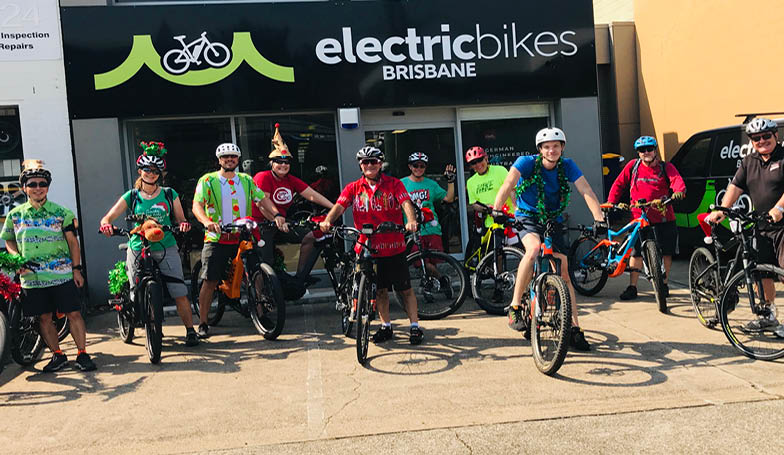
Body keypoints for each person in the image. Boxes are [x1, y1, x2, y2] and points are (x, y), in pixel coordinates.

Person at [492, 127, 605, 351]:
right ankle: (515, 306)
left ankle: (574, 328)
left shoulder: (568, 165)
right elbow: (508, 184)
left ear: (562, 147)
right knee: (533, 250)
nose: (551, 150)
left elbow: (585, 189)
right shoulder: (526, 162)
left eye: (556, 146)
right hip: (528, 216)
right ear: (540, 150)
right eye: (547, 147)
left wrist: (599, 218)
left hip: (553, 218)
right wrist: (497, 209)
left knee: (564, 272)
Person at [318, 146, 423, 345]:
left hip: (393, 246)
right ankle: (386, 326)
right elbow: (339, 206)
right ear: (360, 165)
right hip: (366, 247)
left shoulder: (394, 184)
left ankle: (415, 327)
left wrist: (411, 221)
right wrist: (328, 221)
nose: (369, 165)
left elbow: (406, 203)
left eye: (373, 161)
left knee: (405, 289)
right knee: (380, 290)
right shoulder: (353, 188)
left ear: (380, 163)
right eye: (365, 162)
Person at [99, 141, 199, 347]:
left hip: (165, 245)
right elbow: (108, 217)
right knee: (136, 289)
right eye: (147, 170)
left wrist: (184, 226)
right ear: (140, 172)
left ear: (160, 173)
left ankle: (190, 330)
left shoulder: (170, 194)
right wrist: (106, 225)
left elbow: (181, 219)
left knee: (178, 290)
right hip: (138, 245)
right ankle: (142, 323)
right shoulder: (132, 195)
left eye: (155, 170)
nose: (151, 174)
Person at [1, 160, 96, 372]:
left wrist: (77, 269)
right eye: (32, 184)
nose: (37, 188)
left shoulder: (62, 213)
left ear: (47, 187)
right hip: (32, 278)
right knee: (43, 317)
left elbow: (73, 242)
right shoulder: (14, 215)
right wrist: (16, 258)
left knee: (74, 314)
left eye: (42, 184)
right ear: (24, 188)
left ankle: (82, 354)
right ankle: (58, 355)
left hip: (61, 274)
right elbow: (9, 240)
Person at [192, 142, 288, 338]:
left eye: (233, 157)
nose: (229, 160)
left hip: (243, 236)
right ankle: (202, 322)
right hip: (217, 237)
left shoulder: (246, 180)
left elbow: (262, 199)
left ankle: (260, 314)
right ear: (219, 160)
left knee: (257, 273)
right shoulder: (208, 180)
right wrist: (207, 222)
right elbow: (197, 206)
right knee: (210, 279)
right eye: (225, 157)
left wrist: (277, 214)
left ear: (238, 160)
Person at [705, 117, 784, 332]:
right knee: (762, 274)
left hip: (782, 226)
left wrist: (779, 209)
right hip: (760, 225)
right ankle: (767, 315)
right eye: (756, 138)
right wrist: (722, 209)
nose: (762, 141)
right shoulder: (749, 161)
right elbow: (735, 186)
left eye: (766, 136)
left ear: (775, 136)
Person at [251, 123, 334, 283]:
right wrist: (275, 217)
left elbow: (312, 195)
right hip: (260, 224)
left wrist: (335, 208)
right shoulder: (263, 177)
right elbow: (262, 202)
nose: (283, 165)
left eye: (287, 162)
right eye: (279, 161)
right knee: (264, 263)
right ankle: (260, 302)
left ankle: (300, 277)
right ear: (271, 163)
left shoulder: (290, 179)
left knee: (312, 236)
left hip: (280, 221)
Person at [606, 136, 686, 300]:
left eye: (649, 149)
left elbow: (676, 180)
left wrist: (679, 191)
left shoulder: (666, 167)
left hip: (663, 216)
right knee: (636, 253)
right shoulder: (633, 166)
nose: (646, 152)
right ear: (638, 153)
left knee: (667, 252)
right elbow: (619, 183)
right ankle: (632, 287)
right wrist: (611, 202)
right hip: (639, 217)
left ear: (655, 150)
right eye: (642, 150)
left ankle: (663, 284)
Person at [401, 151, 456, 296]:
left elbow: (449, 198)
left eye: (422, 166)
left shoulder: (431, 184)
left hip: (431, 228)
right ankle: (442, 280)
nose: (418, 168)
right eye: (415, 165)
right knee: (419, 262)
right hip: (413, 230)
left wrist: (450, 181)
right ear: (410, 166)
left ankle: (429, 285)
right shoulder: (401, 184)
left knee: (432, 260)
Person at [465, 146, 515, 228]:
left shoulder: (500, 170)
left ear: (486, 158)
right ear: (471, 166)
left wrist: (516, 211)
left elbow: (512, 191)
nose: (478, 164)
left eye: (480, 160)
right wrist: (486, 209)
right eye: (473, 162)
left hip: (509, 221)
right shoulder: (470, 182)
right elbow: (474, 203)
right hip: (490, 226)